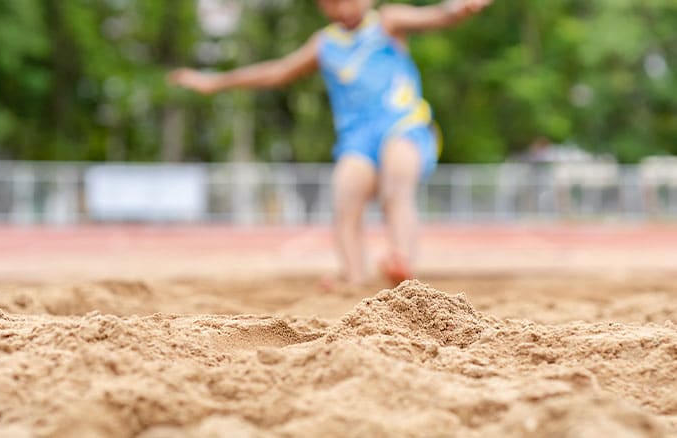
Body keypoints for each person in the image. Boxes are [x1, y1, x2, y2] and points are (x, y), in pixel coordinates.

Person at [169, 0, 492, 287]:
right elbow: (277, 72)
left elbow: (436, 16)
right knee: (344, 197)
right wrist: (216, 82)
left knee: (396, 188)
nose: (343, 7)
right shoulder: (324, 44)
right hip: (357, 139)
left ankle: (402, 266)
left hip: (403, 124)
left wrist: (460, 7)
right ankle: (354, 276)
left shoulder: (388, 22)